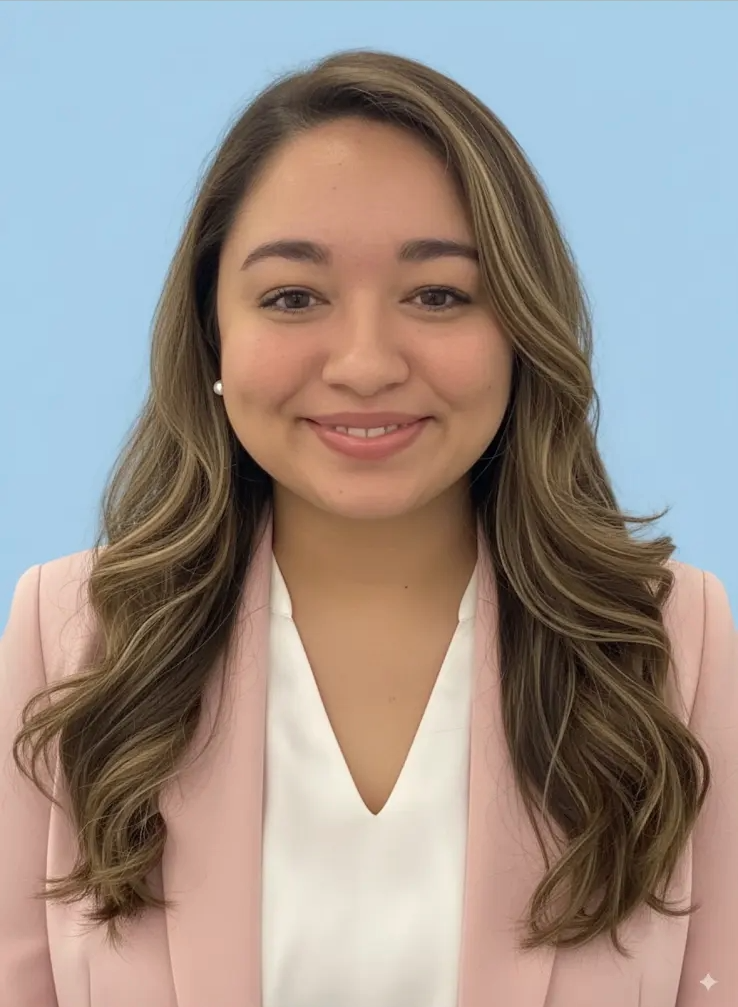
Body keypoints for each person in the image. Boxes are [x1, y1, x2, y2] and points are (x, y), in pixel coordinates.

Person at [0, 49, 735, 1007]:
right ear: (212, 334)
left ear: (521, 330)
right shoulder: (71, 635)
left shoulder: (672, 640)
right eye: (292, 297)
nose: (363, 363)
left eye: (438, 295)